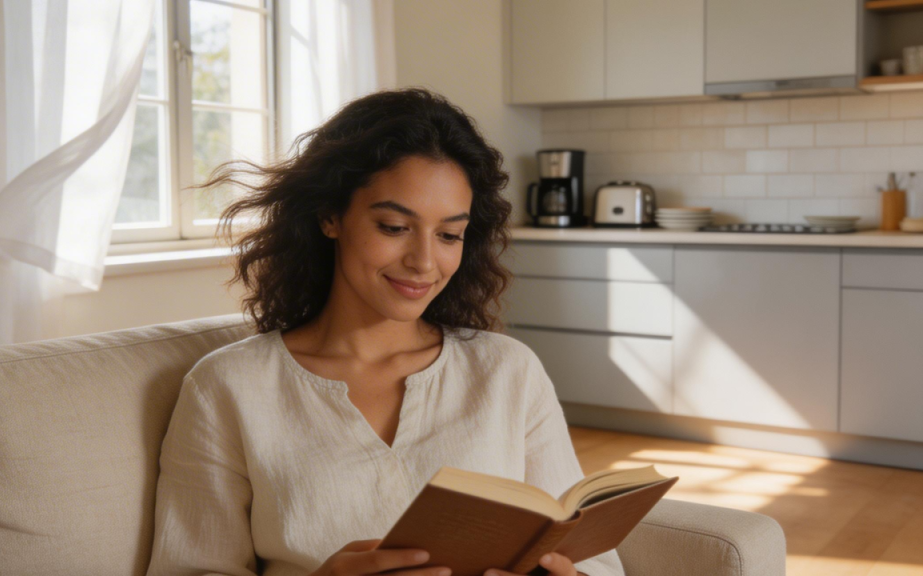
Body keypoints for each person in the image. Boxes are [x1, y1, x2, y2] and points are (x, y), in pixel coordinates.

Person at [146, 89, 624, 576]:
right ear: (330, 216)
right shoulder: (228, 386)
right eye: (395, 226)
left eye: (449, 235)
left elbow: (595, 561)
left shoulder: (507, 370)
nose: (423, 262)